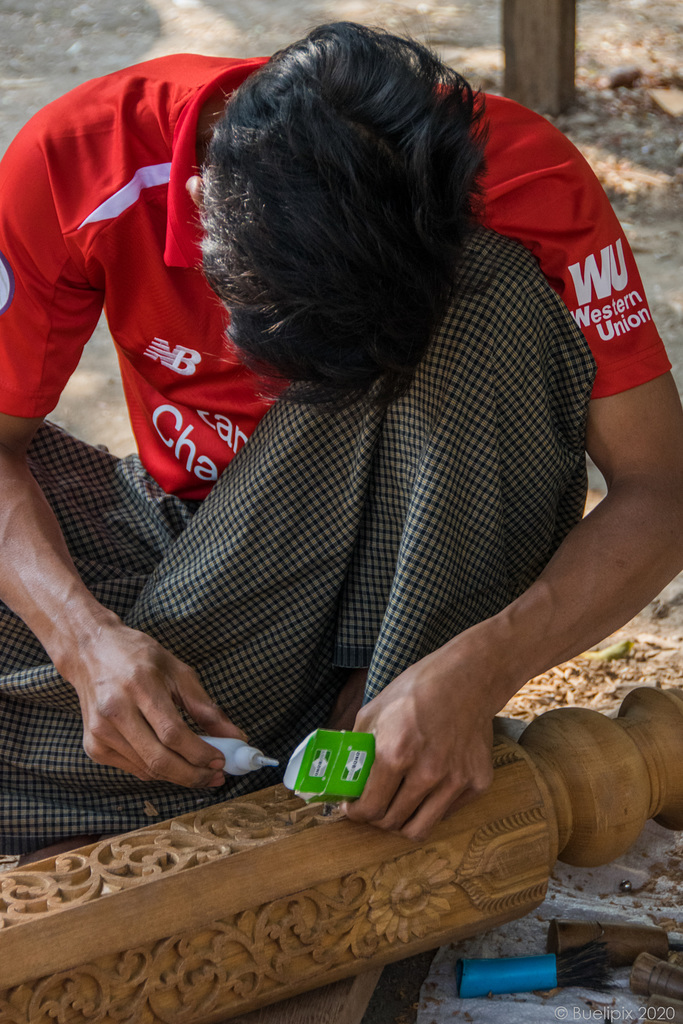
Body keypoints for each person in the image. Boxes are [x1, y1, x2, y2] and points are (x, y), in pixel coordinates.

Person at [0, 22, 682, 857]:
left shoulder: (518, 179)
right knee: (88, 653)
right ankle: (270, 746)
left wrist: (483, 667)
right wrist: (85, 642)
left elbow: (660, 489)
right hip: (209, 563)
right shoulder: (84, 159)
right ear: (205, 232)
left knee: (499, 283)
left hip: (420, 580)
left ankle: (390, 706)